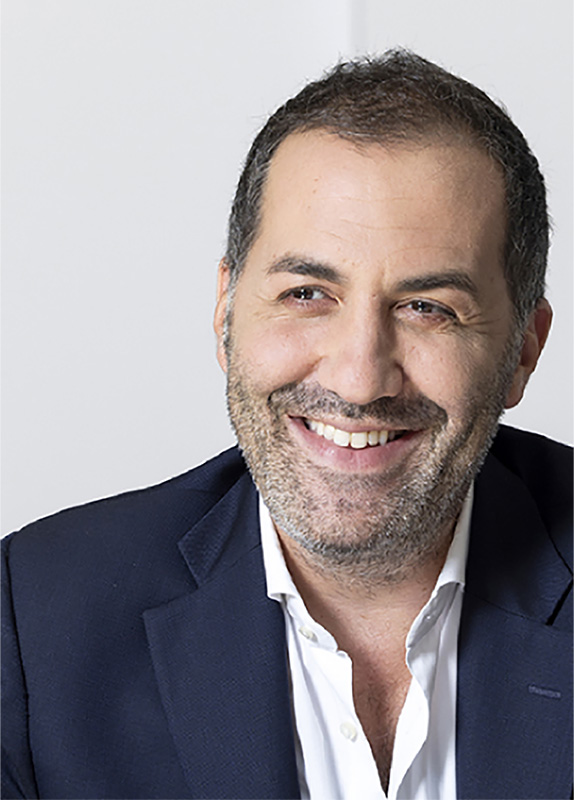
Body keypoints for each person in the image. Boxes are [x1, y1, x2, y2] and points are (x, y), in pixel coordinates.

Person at [2, 49, 571, 800]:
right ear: (226, 312)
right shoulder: (37, 620)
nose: (359, 379)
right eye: (307, 293)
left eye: (427, 308)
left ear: (523, 350)